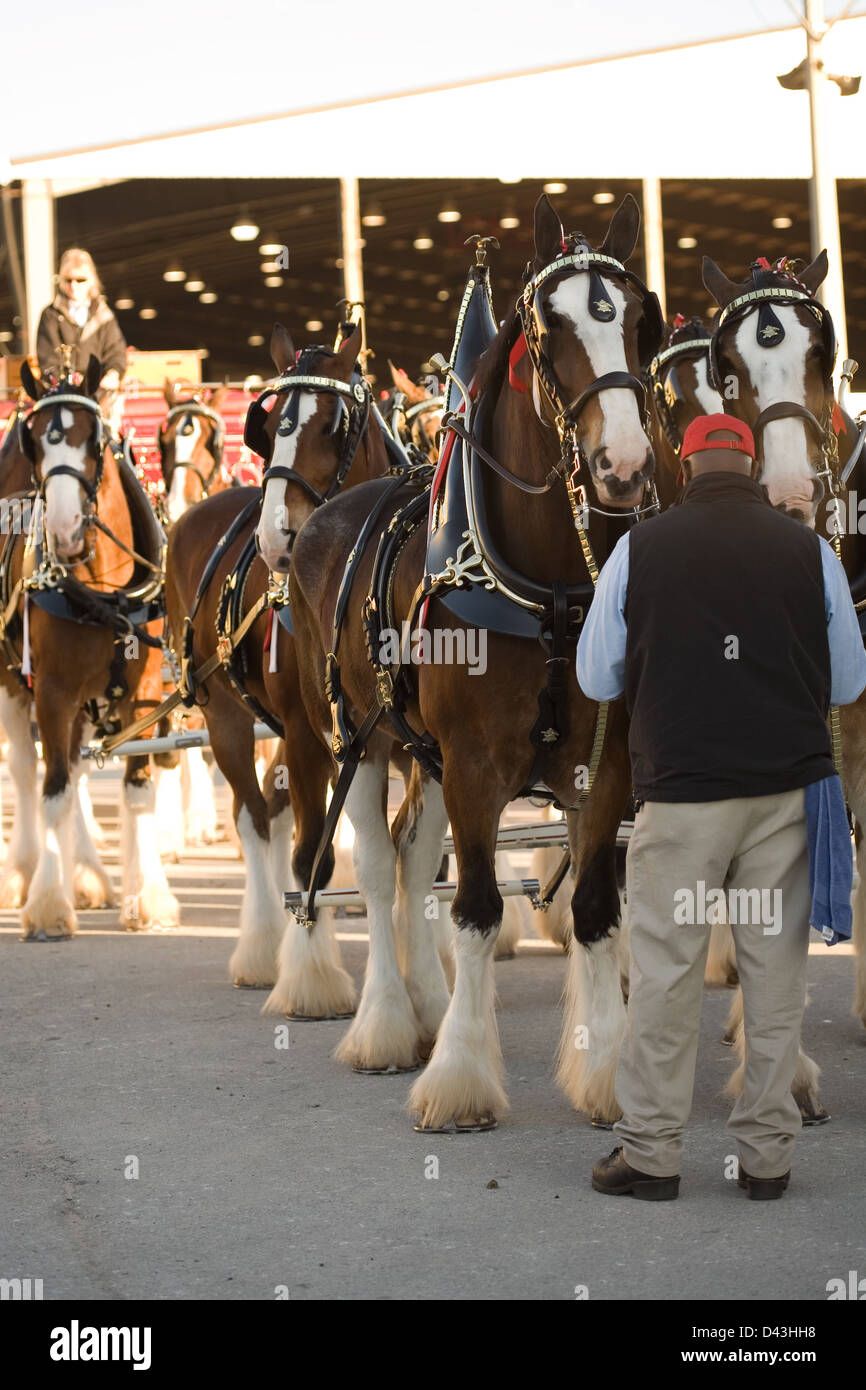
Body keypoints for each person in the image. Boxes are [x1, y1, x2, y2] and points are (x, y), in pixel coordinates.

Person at [576, 413, 866, 1201]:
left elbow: (597, 679)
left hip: (681, 795)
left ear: (684, 463)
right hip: (783, 796)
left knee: (668, 977)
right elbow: (845, 684)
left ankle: (652, 1156)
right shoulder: (812, 553)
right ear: (751, 466)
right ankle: (768, 1160)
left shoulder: (639, 549)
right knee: (776, 980)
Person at [35, 248, 127, 391]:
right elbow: (47, 358)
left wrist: (113, 373)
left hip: (97, 390)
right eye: (68, 280)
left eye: (80, 280)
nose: (73, 286)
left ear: (91, 280)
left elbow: (116, 352)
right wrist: (63, 381)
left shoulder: (104, 315)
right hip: (60, 390)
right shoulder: (50, 314)